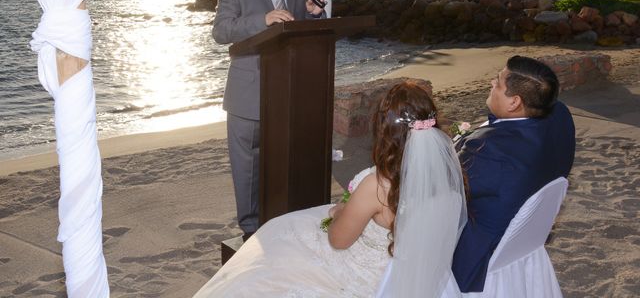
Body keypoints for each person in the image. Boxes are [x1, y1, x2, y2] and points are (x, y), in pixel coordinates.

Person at [193, 82, 467, 297]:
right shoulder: (448, 176)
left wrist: (341, 211)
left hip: (369, 278)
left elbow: (338, 241)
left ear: (386, 130)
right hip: (414, 272)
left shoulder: (379, 185)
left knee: (276, 245)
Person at [212, 0, 325, 240]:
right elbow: (221, 32)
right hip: (247, 97)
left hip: (286, 97)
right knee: (247, 170)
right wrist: (263, 19)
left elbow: (301, 34)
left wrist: (314, 15)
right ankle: (250, 231)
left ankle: (278, 225)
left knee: (281, 166)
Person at [451, 55, 576, 293]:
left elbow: (445, 191)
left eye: (498, 83)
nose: (491, 83)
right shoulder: (560, 117)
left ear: (514, 103)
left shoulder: (489, 152)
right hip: (523, 238)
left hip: (480, 253)